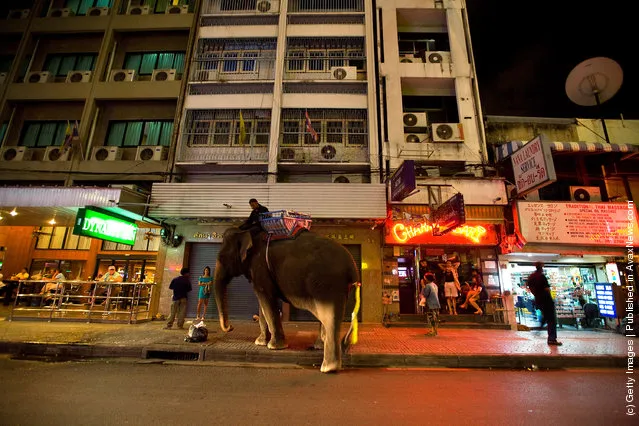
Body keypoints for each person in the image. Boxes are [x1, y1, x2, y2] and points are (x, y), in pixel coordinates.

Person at [527, 262, 562, 346]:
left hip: (539, 300)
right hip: (546, 300)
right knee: (551, 320)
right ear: (541, 267)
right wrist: (549, 298)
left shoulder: (531, 277)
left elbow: (530, 288)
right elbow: (546, 289)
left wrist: (536, 295)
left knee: (546, 317)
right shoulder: (541, 277)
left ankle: (539, 328)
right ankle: (552, 339)